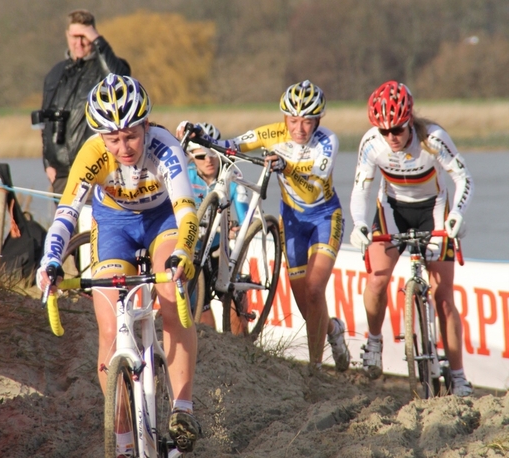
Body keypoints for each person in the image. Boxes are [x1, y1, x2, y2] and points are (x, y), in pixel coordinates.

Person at [37, 74, 201, 452]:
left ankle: (182, 406)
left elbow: (187, 213)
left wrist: (183, 255)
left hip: (163, 220)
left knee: (171, 294)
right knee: (110, 332)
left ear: (146, 125)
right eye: (113, 139)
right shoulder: (92, 154)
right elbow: (65, 215)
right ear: (101, 137)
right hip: (113, 224)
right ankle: (124, 440)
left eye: (131, 135)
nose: (123, 147)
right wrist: (50, 259)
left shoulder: (165, 149)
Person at [181, 80, 350, 374]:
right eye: (293, 120)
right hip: (293, 221)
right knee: (306, 307)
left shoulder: (328, 141)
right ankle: (334, 329)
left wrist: (284, 166)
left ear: (318, 121)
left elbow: (313, 178)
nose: (299, 129)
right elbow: (232, 145)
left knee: (314, 289)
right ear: (285, 118)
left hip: (324, 217)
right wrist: (203, 139)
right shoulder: (274, 133)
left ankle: (315, 369)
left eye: (307, 121)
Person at [349, 80, 474, 396]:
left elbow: (463, 178)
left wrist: (457, 214)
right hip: (392, 210)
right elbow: (362, 188)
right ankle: (374, 341)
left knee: (444, 297)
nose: (391, 137)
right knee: (377, 280)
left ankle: (458, 376)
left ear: (410, 121)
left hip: (433, 211)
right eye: (384, 131)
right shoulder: (372, 143)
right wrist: (360, 223)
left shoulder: (433, 139)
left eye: (398, 130)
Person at [35, 9, 131, 195]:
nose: (78, 43)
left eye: (84, 37)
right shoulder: (55, 74)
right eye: (74, 36)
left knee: (94, 223)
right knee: (65, 224)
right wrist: (48, 164)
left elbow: (121, 82)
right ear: (67, 35)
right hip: (61, 174)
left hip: (97, 168)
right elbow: (45, 123)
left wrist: (98, 41)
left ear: (94, 37)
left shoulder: (105, 68)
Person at [185, 122, 250, 329]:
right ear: (191, 158)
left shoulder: (230, 174)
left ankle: (243, 353)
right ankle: (213, 353)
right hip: (193, 250)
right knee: (200, 311)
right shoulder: (185, 176)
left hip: (218, 249)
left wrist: (238, 227)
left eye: (212, 154)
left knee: (235, 303)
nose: (208, 160)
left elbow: (244, 213)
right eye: (201, 156)